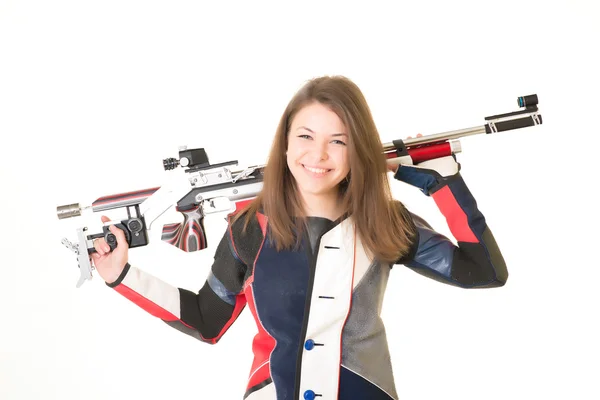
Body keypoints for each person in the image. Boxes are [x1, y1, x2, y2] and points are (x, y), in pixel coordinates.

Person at [91, 75, 508, 400]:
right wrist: (121, 275)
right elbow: (206, 320)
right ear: (285, 143)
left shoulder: (384, 221)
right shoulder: (250, 228)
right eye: (305, 137)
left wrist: (444, 184)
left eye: (338, 142)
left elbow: (484, 272)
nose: (318, 155)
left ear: (358, 150)